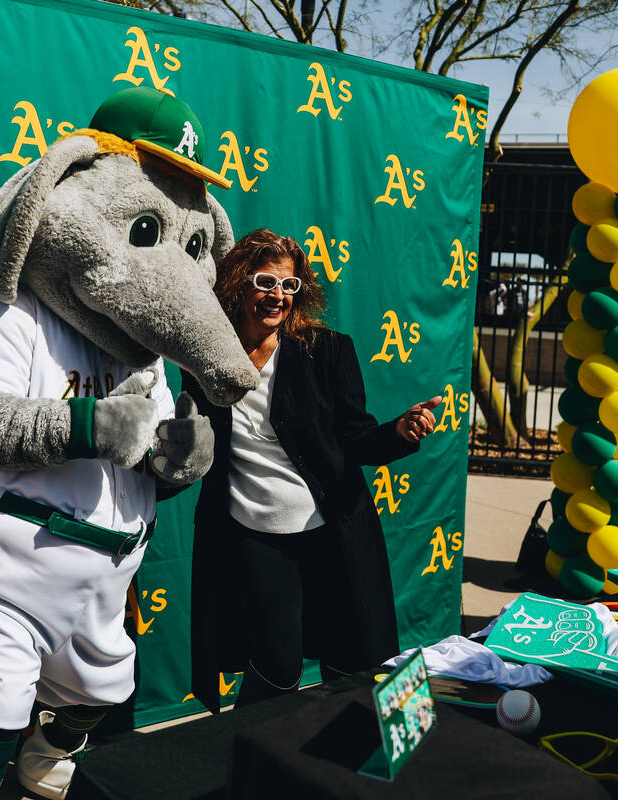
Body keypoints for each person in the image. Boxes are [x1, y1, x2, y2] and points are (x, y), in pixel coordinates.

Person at [183, 228, 442, 709]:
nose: (277, 295)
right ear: (240, 282)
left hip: (333, 532)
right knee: (277, 668)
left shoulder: (326, 350)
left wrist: (399, 432)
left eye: (289, 285)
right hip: (251, 534)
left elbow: (357, 436)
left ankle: (355, 768)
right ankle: (248, 765)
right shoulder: (204, 357)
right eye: (266, 281)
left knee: (353, 662)